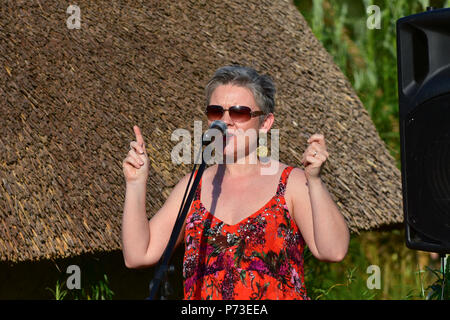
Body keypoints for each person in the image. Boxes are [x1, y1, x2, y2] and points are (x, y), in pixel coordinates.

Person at [121, 65, 350, 300]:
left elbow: (333, 250)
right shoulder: (193, 187)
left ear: (265, 123)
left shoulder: (291, 183)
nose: (226, 121)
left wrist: (314, 180)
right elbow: (138, 255)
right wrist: (136, 184)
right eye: (216, 111)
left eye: (239, 112)